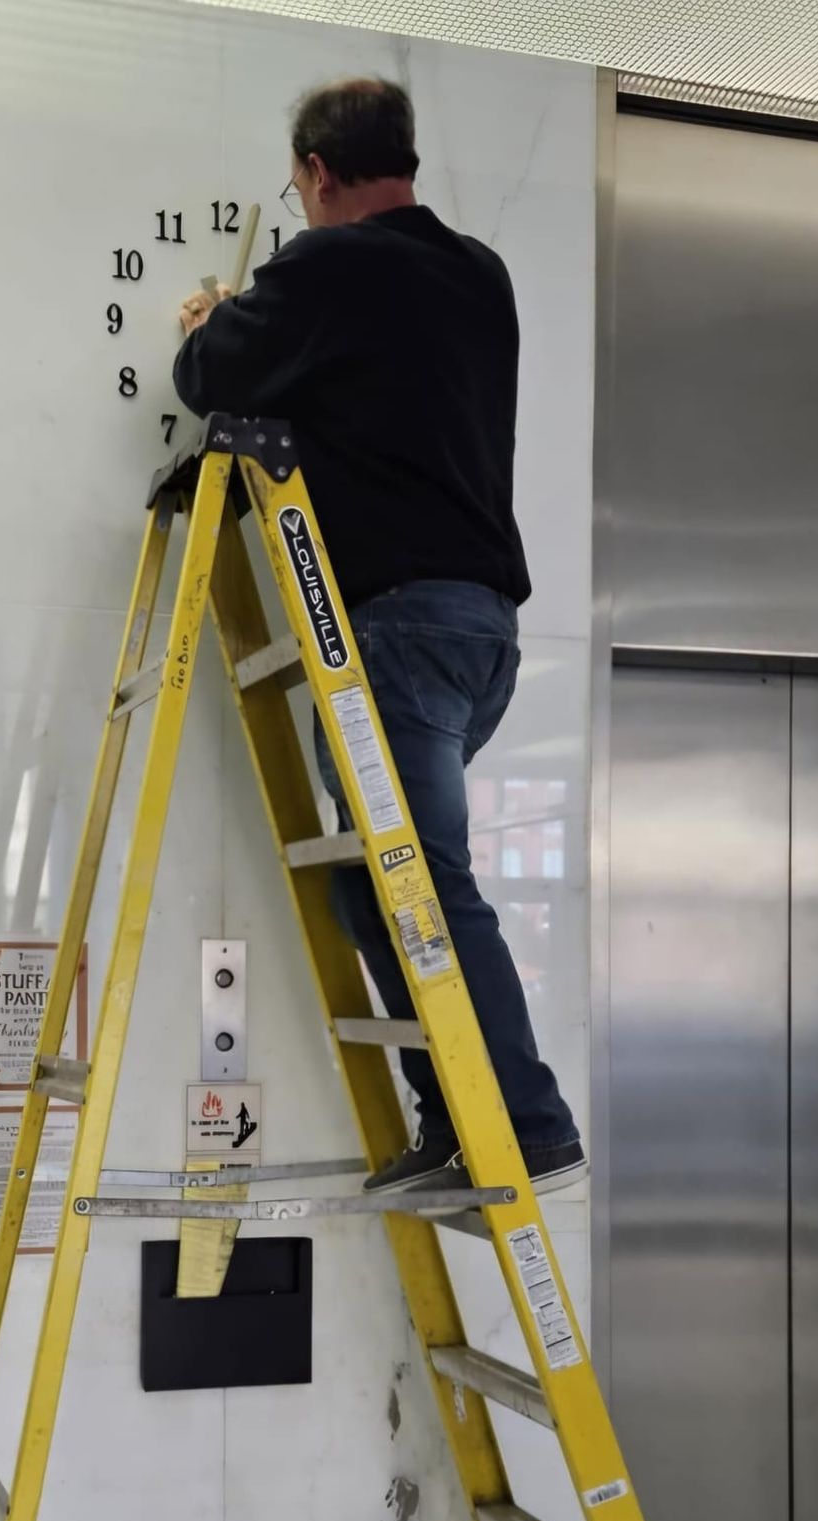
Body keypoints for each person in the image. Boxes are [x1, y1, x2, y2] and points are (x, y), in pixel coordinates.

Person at [171, 76, 586, 1196]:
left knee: (426, 881)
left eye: (300, 189)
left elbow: (214, 376)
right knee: (375, 882)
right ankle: (456, 1121)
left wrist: (212, 321)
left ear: (315, 173)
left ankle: (528, 1126)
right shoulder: (477, 274)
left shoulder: (330, 266)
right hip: (481, 633)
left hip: (397, 628)